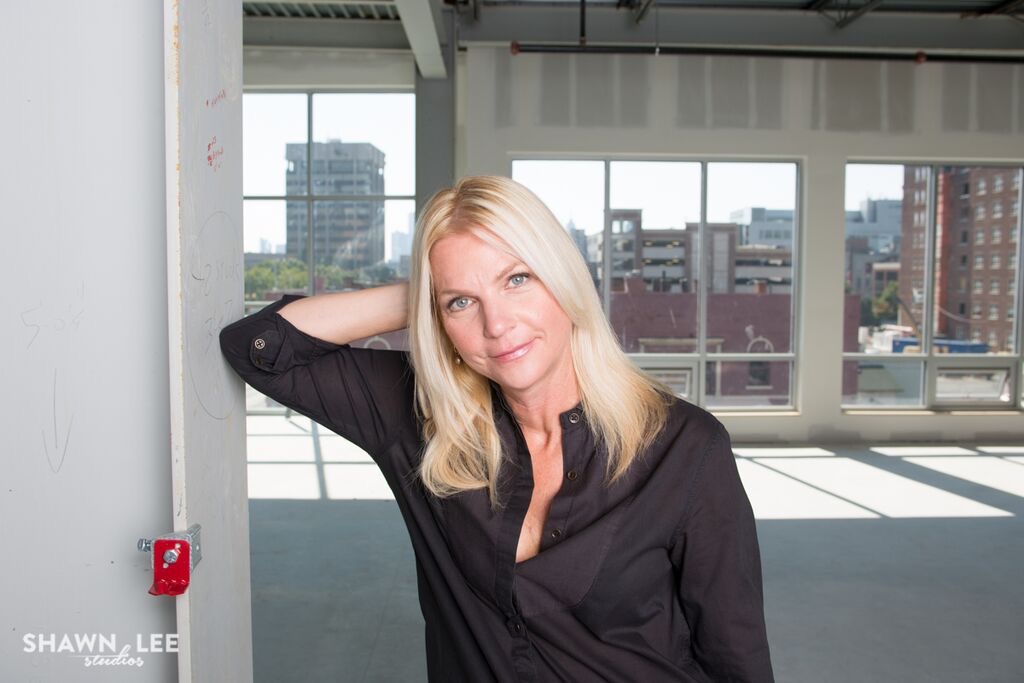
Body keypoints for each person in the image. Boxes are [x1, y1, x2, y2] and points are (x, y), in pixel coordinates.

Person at [220, 175, 774, 682]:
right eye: (462, 303)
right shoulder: (421, 421)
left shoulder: (686, 448)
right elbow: (257, 347)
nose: (497, 324)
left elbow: (736, 656)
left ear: (563, 280)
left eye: (517, 279)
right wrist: (426, 294)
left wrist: (461, 286)